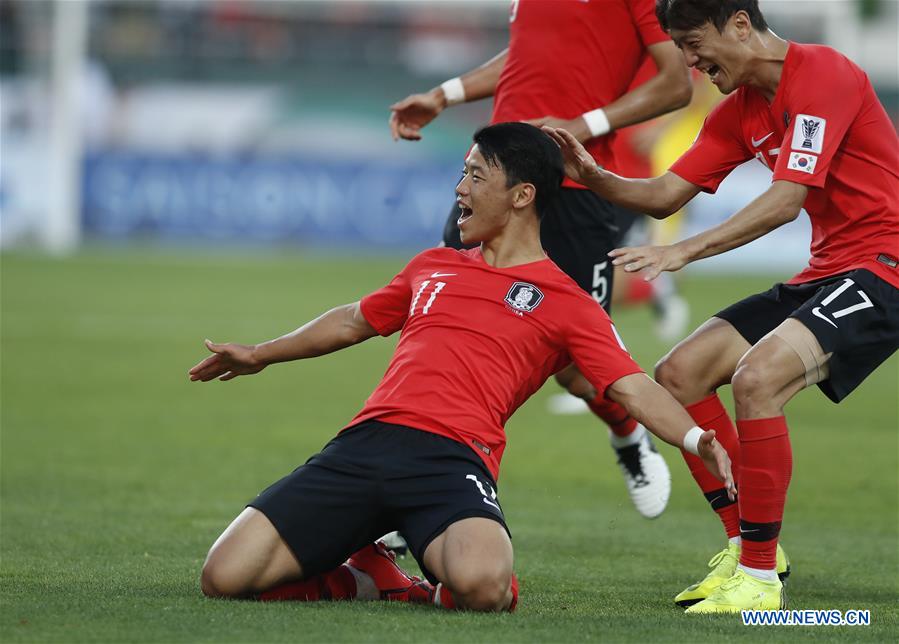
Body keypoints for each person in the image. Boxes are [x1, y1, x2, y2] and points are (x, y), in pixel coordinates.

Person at [189, 123, 734, 612]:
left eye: (475, 176)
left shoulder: (569, 302)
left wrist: (693, 438)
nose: (460, 190)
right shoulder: (434, 265)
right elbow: (354, 321)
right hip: (366, 444)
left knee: (484, 588)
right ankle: (370, 581)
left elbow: (631, 386)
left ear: (522, 196)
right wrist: (260, 353)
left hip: (454, 461)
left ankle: (405, 574)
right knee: (224, 575)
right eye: (462, 174)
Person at [543, 0, 899, 614]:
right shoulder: (739, 111)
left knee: (757, 379)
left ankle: (759, 580)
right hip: (826, 269)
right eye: (679, 46)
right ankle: (750, 548)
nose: (688, 60)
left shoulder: (825, 74)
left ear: (739, 23)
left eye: (692, 42)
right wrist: (593, 174)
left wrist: (684, 252)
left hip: (887, 265)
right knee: (679, 375)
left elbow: (787, 199)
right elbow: (662, 194)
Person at [389, 0, 694, 520]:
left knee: (578, 372)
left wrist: (580, 124)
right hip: (495, 180)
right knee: (444, 328)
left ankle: (629, 438)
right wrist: (446, 94)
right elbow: (527, 56)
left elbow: (676, 84)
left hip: (576, 187)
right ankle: (419, 484)